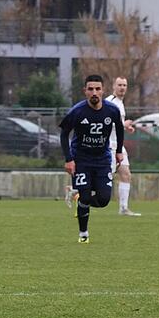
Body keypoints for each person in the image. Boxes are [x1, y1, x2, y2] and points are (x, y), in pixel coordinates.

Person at [59, 75, 124, 243]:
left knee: (103, 200)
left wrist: (118, 151)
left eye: (97, 89)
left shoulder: (112, 110)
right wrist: (68, 159)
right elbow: (64, 133)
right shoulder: (77, 111)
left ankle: (78, 198)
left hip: (102, 160)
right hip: (81, 160)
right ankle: (83, 234)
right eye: (90, 89)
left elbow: (120, 128)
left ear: (103, 90)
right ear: (85, 91)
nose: (94, 92)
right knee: (86, 197)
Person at [105, 76, 140, 216]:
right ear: (114, 86)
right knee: (104, 177)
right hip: (109, 145)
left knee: (126, 174)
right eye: (119, 85)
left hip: (118, 145)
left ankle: (123, 208)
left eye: (124, 85)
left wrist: (126, 127)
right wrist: (122, 125)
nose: (122, 88)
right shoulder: (109, 102)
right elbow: (104, 122)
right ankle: (75, 189)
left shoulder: (120, 102)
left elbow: (117, 125)